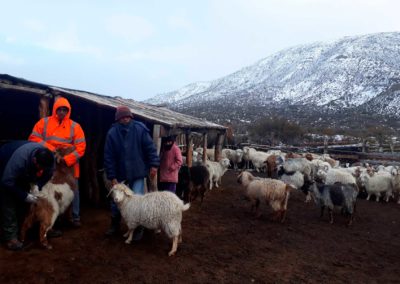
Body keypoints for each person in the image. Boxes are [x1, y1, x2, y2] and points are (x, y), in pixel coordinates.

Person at [28, 97, 86, 227]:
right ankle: (55, 219)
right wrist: (52, 150)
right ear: (55, 109)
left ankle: (75, 217)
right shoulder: (44, 122)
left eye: (65, 110)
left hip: (69, 166)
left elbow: (81, 147)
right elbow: (33, 137)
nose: (62, 112)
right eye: (59, 109)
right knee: (51, 191)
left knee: (73, 191)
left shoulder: (75, 127)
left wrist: (66, 159)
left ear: (68, 111)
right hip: (50, 164)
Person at [104, 105, 160, 237]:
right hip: (119, 173)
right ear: (118, 119)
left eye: (127, 116)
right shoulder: (112, 133)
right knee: (117, 200)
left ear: (131, 116)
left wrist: (154, 165)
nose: (125, 119)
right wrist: (112, 176)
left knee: (137, 200)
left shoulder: (140, 129)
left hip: (137, 171)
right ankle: (115, 224)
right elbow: (108, 156)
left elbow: (150, 148)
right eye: (122, 117)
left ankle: (139, 227)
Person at [0, 141, 54, 250]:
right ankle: (11, 239)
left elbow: (48, 173)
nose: (42, 170)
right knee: (9, 201)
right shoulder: (19, 160)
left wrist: (37, 186)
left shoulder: (49, 159)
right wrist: (25, 195)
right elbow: (6, 181)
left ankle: (22, 232)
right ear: (34, 160)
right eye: (40, 167)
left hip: (24, 171)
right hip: (4, 164)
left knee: (23, 202)